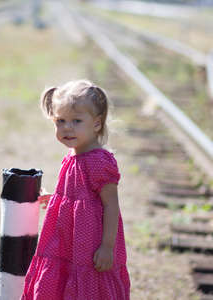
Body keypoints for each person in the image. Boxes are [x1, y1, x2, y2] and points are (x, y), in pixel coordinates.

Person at [21, 80, 130, 300]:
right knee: (60, 282)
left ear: (97, 124)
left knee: (87, 287)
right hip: (65, 240)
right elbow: (78, 196)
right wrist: (55, 200)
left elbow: (110, 205)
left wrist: (107, 247)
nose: (67, 128)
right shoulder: (72, 156)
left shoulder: (100, 161)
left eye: (76, 121)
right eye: (60, 121)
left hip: (89, 245)